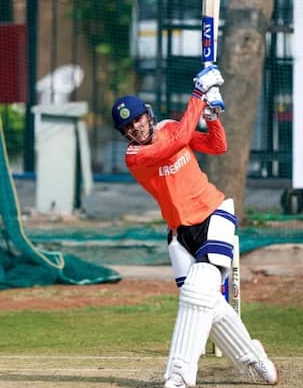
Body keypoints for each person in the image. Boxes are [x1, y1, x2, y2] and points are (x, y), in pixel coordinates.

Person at [111, 66, 279, 388]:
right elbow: (175, 144)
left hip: (214, 214)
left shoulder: (172, 127)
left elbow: (217, 147)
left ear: (148, 115)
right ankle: (252, 357)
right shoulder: (135, 156)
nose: (135, 128)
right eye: (128, 126)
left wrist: (213, 116)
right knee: (208, 304)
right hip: (180, 234)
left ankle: (179, 376)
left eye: (138, 119)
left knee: (196, 292)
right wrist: (199, 96)